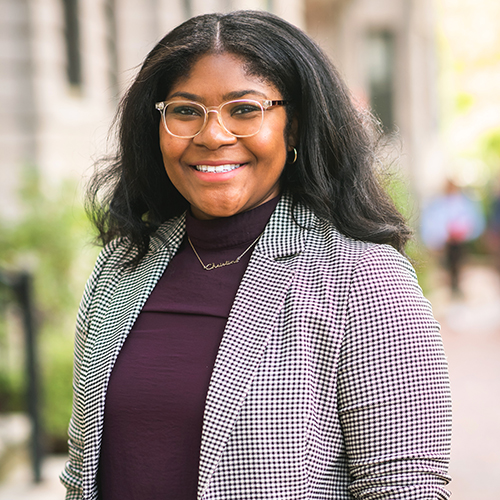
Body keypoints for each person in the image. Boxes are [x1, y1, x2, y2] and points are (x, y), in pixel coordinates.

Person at [60, 10, 452, 500]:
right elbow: (83, 473)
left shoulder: (361, 277)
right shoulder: (121, 270)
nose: (213, 136)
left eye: (244, 110)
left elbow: (403, 487)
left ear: (294, 127)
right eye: (185, 111)